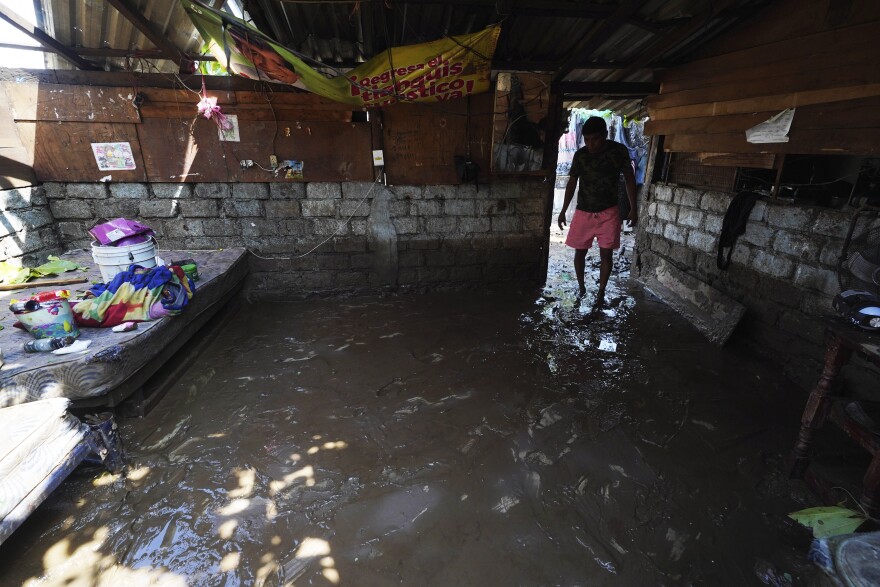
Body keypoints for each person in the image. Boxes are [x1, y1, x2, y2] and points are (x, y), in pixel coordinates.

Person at [557, 116, 637, 304]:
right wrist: (563, 210)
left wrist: (633, 208)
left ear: (605, 135)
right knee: (580, 252)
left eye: (595, 139)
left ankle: (601, 292)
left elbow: (629, 179)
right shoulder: (581, 155)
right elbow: (572, 183)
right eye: (587, 140)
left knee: (606, 254)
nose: (591, 144)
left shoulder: (618, 152)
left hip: (609, 211)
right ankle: (581, 287)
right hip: (583, 211)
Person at [226, 24, 300, 86]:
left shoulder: (273, 72)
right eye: (252, 52)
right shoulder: (275, 62)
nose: (281, 77)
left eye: (283, 78)